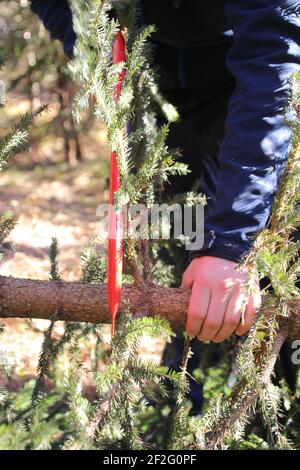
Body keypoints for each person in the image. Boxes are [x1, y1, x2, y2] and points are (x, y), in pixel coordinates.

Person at [29, 0, 300, 344]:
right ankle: (186, 373)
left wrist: (230, 243)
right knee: (185, 245)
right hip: (154, 81)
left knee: (265, 253)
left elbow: (272, 66)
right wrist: (91, 47)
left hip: (244, 82)